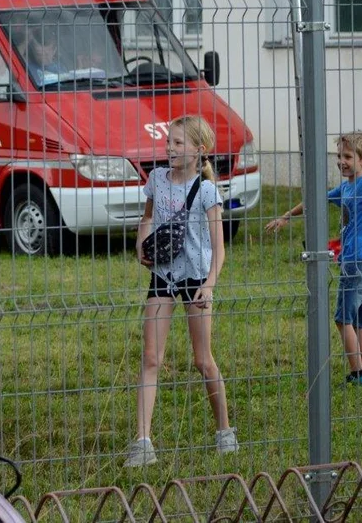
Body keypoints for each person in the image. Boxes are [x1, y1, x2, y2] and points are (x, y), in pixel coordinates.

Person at [125, 115, 236, 467]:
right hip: (162, 277)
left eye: (177, 143)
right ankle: (143, 443)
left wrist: (209, 285)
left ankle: (224, 432)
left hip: (196, 279)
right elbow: (146, 218)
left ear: (198, 150)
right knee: (151, 358)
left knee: (203, 360)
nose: (169, 148)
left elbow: (219, 249)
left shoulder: (206, 191)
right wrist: (141, 243)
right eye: (168, 142)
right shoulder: (156, 179)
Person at [267, 131, 362, 384]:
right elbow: (316, 200)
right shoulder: (346, 187)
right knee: (361, 320)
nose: (341, 161)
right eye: (339, 156)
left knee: (342, 319)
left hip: (358, 261)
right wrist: (285, 216)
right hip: (358, 260)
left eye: (348, 156)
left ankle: (357, 373)